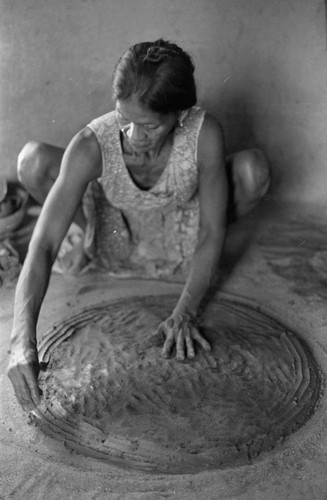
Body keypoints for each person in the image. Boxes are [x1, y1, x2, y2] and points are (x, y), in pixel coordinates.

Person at [7, 39, 270, 411]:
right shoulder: (91, 144)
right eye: (123, 118)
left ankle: (173, 268)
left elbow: (212, 232)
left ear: (179, 115)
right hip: (115, 233)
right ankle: (89, 243)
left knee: (253, 169)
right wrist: (21, 341)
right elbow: (44, 244)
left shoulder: (203, 132)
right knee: (35, 160)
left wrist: (186, 311)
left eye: (147, 126)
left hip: (183, 234)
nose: (132, 136)